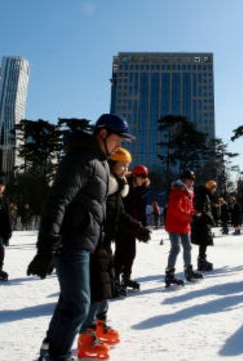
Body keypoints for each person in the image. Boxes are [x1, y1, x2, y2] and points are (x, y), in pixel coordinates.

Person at [26, 113, 133, 361]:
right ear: (103, 134)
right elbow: (58, 200)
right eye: (118, 139)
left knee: (71, 302)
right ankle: (58, 355)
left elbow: (102, 204)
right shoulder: (81, 159)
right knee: (78, 304)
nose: (120, 145)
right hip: (71, 241)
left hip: (87, 241)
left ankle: (51, 351)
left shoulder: (100, 162)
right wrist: (46, 245)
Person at [77, 147, 149, 359]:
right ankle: (86, 337)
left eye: (127, 165)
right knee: (97, 289)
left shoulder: (117, 187)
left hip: (105, 243)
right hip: (92, 242)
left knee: (106, 286)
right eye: (121, 164)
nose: (124, 168)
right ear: (111, 164)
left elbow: (121, 214)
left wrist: (138, 228)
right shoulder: (101, 185)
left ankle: (101, 326)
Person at [164, 169, 203, 287]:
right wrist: (190, 214)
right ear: (184, 180)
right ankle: (169, 273)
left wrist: (194, 212)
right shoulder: (177, 191)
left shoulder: (189, 192)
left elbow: (188, 208)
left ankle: (188, 270)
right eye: (190, 180)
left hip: (184, 224)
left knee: (187, 247)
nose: (192, 182)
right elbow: (176, 209)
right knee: (176, 248)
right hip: (174, 223)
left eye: (193, 180)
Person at [119, 164, 151, 291]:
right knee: (121, 253)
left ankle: (126, 277)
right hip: (123, 225)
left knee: (131, 254)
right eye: (141, 176)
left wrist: (143, 225)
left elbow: (140, 209)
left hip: (133, 226)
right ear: (135, 175)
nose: (143, 179)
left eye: (145, 176)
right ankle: (116, 279)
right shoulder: (126, 188)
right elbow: (125, 209)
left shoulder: (141, 189)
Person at [192, 180, 217, 271]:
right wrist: (209, 218)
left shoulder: (204, 195)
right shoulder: (203, 195)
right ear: (210, 188)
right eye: (214, 188)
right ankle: (201, 261)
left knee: (204, 242)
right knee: (203, 241)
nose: (214, 190)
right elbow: (201, 210)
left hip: (202, 222)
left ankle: (202, 259)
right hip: (202, 223)